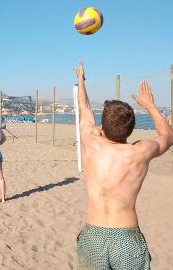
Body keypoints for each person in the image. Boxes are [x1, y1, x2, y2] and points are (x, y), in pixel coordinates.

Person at [74, 61, 173, 269]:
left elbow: (84, 109)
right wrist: (150, 106)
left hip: (93, 237)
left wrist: (80, 80)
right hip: (126, 239)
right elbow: (167, 136)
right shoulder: (139, 152)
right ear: (130, 130)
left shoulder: (91, 143)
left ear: (102, 127)